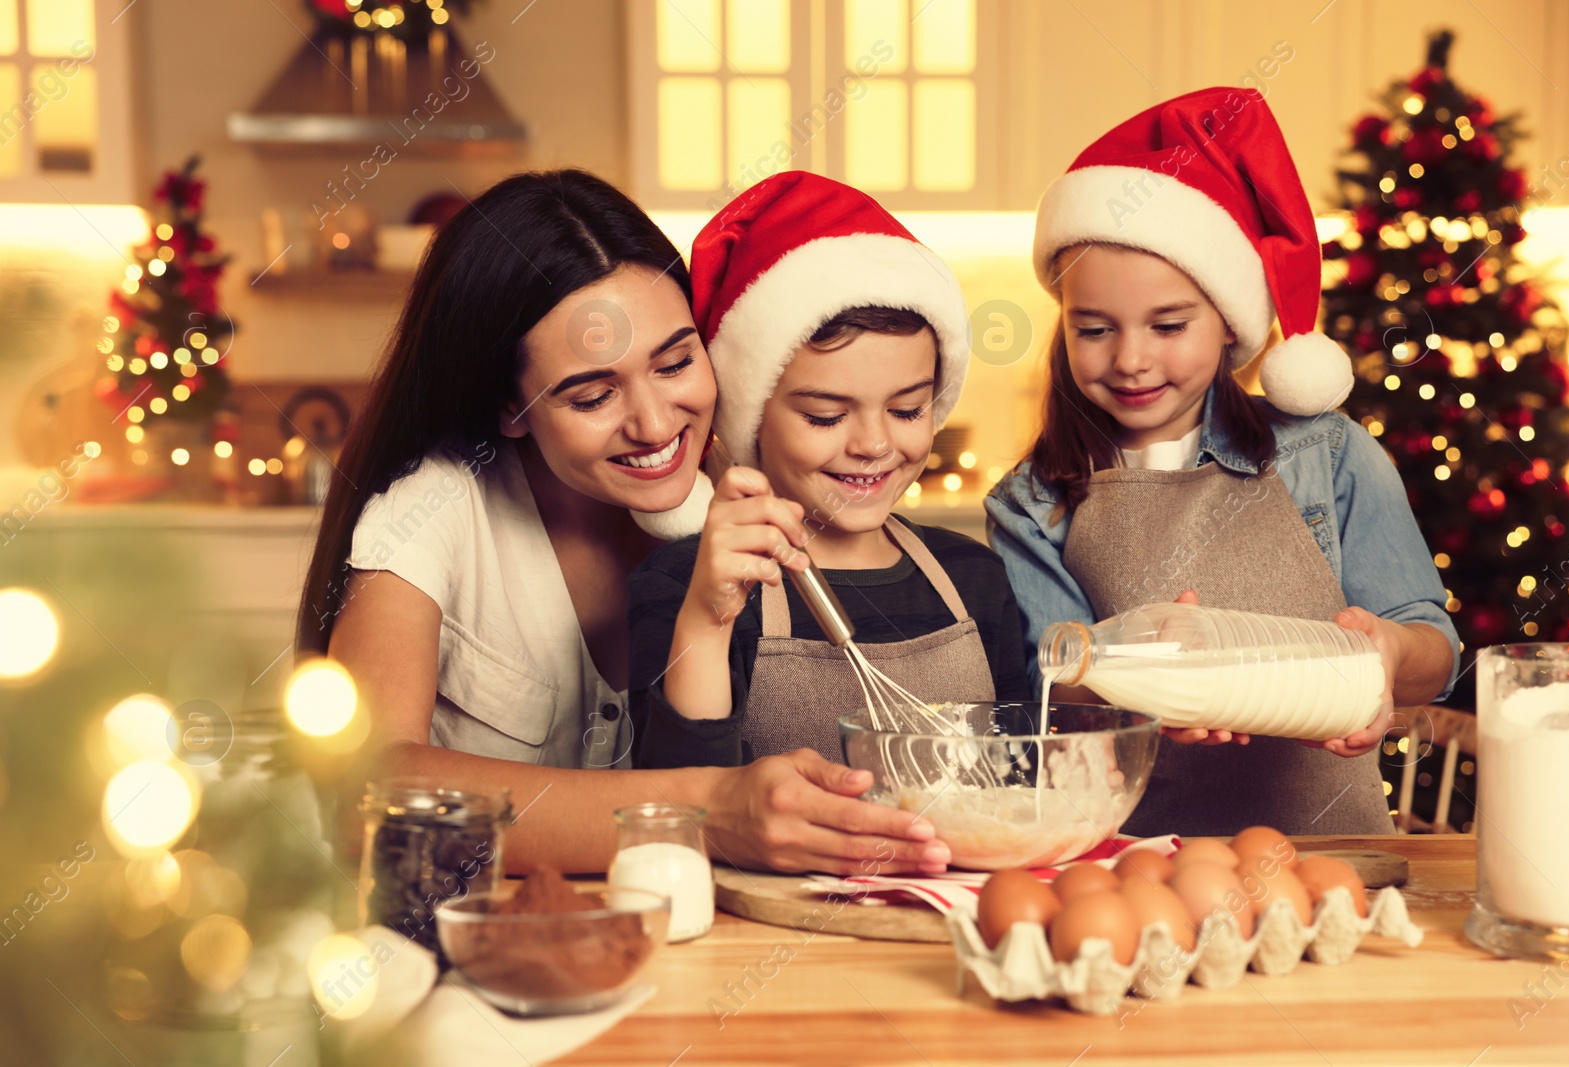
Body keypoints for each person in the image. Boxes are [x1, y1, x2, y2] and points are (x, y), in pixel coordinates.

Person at [300, 169, 950, 875]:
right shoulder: (429, 513)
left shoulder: (741, 511)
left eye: (674, 363)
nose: (655, 424)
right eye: (591, 395)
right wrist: (707, 811)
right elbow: (364, 795)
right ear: (508, 407)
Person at [985, 88, 1459, 836]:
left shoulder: (1324, 454)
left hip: (1338, 855)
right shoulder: (1031, 501)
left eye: (1168, 324)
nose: (1131, 358)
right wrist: (1147, 689)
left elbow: (1437, 651)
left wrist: (1392, 650)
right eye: (1094, 328)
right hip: (1136, 864)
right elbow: (1056, 684)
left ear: (1229, 322)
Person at [628, 172, 1031, 769]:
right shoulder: (686, 584)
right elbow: (682, 798)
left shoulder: (973, 576)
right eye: (824, 416)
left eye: (906, 409)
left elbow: (1020, 771)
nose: (873, 444)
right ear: (751, 416)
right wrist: (707, 621)